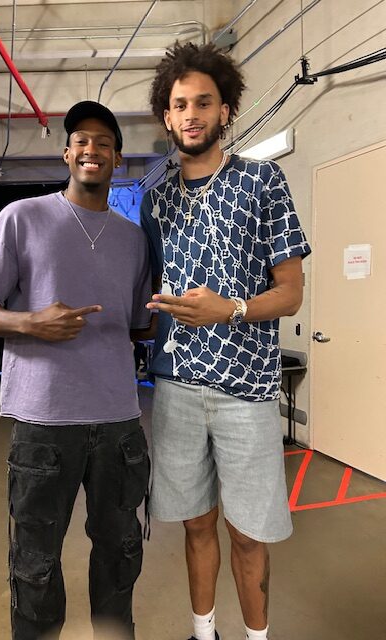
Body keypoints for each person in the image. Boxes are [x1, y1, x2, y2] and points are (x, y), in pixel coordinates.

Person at [140, 42, 311, 640]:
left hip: (248, 388)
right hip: (178, 388)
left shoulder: (263, 181)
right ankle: (203, 631)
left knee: (249, 532)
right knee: (195, 524)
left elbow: (290, 291)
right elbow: (151, 282)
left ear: (225, 110)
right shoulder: (157, 200)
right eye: (179, 104)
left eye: (203, 103)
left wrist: (230, 309)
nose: (191, 114)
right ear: (166, 115)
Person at [0, 100, 151, 640]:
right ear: (67, 152)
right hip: (44, 423)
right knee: (36, 560)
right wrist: (32, 323)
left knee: (119, 555)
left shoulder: (133, 238)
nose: (92, 149)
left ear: (117, 159)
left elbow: (138, 324)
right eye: (82, 139)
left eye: (104, 142)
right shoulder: (21, 217)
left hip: (118, 421)